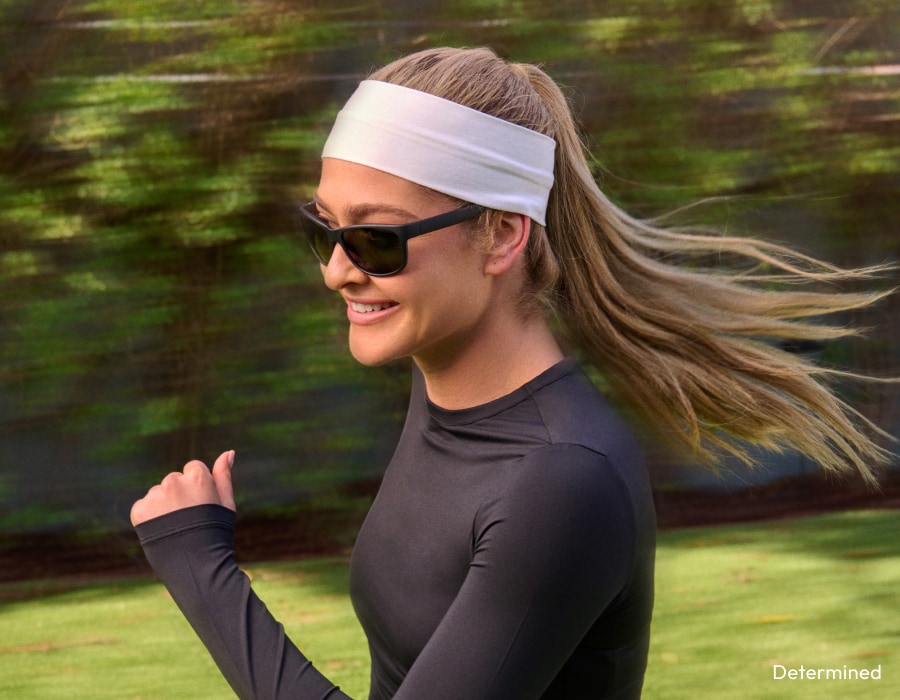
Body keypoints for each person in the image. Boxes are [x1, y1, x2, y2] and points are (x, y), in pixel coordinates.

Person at [130, 47, 894, 699]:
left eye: (375, 240)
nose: (337, 272)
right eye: (325, 231)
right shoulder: (449, 397)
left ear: (500, 236)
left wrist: (202, 567)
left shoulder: (560, 480)